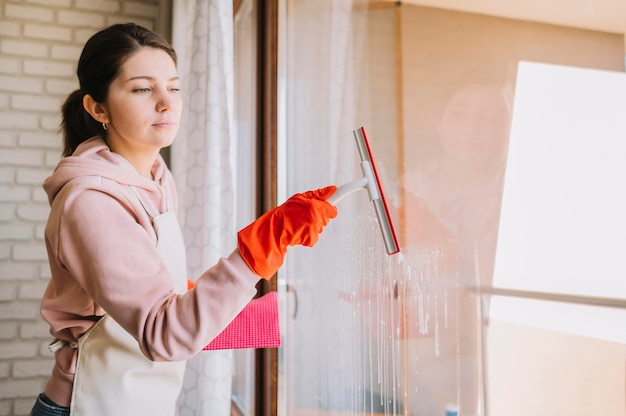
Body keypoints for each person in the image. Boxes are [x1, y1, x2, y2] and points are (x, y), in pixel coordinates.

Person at [30, 23, 337, 416]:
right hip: (91, 402)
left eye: (173, 87)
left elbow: (152, 294)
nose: (166, 102)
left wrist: (249, 310)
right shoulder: (90, 201)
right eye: (143, 89)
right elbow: (163, 335)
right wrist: (263, 246)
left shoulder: (156, 176)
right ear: (97, 107)